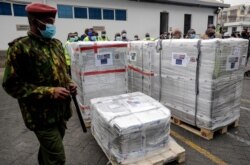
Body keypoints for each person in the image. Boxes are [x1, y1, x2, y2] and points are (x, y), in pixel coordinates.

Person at [2, 3, 77, 165]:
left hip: (61, 112)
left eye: (53, 22)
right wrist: (49, 92)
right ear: (34, 22)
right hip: (41, 116)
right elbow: (11, 85)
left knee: (48, 151)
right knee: (57, 157)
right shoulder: (20, 48)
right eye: (48, 22)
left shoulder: (56, 44)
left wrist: (70, 83)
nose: (52, 26)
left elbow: (62, 72)